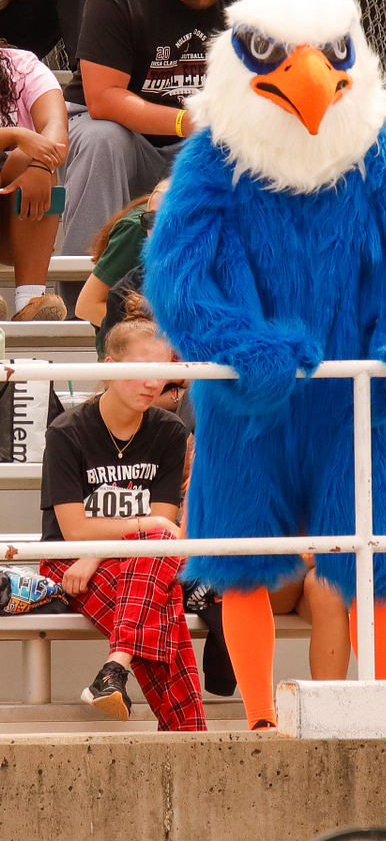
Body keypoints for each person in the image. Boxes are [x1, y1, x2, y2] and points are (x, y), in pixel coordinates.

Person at [59, 0, 254, 314]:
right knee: (103, 140)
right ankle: (79, 297)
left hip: (195, 145)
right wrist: (185, 121)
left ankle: (242, 298)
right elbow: (103, 97)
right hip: (122, 136)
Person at [39, 302, 206, 730]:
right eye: (141, 369)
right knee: (165, 607)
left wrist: (101, 550)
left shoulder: (170, 431)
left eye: (163, 370)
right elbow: (75, 530)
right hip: (70, 563)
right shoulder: (67, 432)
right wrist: (96, 551)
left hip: (131, 560)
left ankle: (115, 668)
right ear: (110, 367)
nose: (154, 383)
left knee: (159, 560)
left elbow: (161, 530)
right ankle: (189, 734)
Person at [0, 44, 68, 320]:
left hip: (11, 223)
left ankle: (29, 301)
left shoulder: (22, 66)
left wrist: (40, 164)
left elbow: (56, 126)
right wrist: (14, 135)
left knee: (32, 156)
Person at [76, 179, 168, 357]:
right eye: (151, 220)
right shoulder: (134, 231)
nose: (158, 228)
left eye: (168, 219)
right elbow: (86, 305)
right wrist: (144, 332)